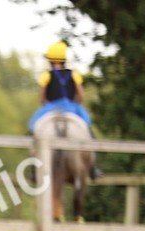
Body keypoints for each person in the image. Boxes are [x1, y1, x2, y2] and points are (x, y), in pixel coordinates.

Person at [30, 41, 102, 178]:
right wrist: (73, 103)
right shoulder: (74, 74)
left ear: (50, 61)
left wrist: (48, 104)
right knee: (87, 128)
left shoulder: (46, 75)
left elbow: (42, 98)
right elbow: (81, 96)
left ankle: (33, 168)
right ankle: (94, 167)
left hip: (52, 108)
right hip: (72, 107)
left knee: (34, 127)